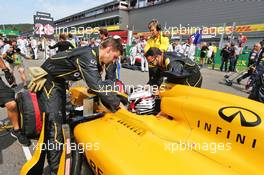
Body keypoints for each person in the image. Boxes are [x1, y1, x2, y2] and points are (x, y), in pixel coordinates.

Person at [27, 37, 124, 174]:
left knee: (61, 121)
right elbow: (96, 86)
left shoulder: (95, 58)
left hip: (59, 82)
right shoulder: (88, 56)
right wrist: (118, 105)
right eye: (114, 57)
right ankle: (56, 169)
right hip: (49, 82)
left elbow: (102, 83)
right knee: (54, 125)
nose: (114, 61)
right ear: (108, 50)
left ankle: (60, 157)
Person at [0, 38, 31, 146]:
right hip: (12, 63)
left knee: (12, 104)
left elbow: (0, 59)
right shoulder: (6, 47)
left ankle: (16, 130)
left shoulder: (15, 47)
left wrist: (5, 70)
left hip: (3, 79)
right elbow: (4, 55)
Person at [144, 19, 169, 85]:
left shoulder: (164, 38)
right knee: (151, 84)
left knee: (158, 85)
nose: (151, 32)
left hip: (159, 67)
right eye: (150, 30)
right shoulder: (150, 40)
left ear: (158, 29)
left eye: (152, 30)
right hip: (151, 66)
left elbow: (162, 49)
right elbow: (146, 50)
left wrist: (153, 53)